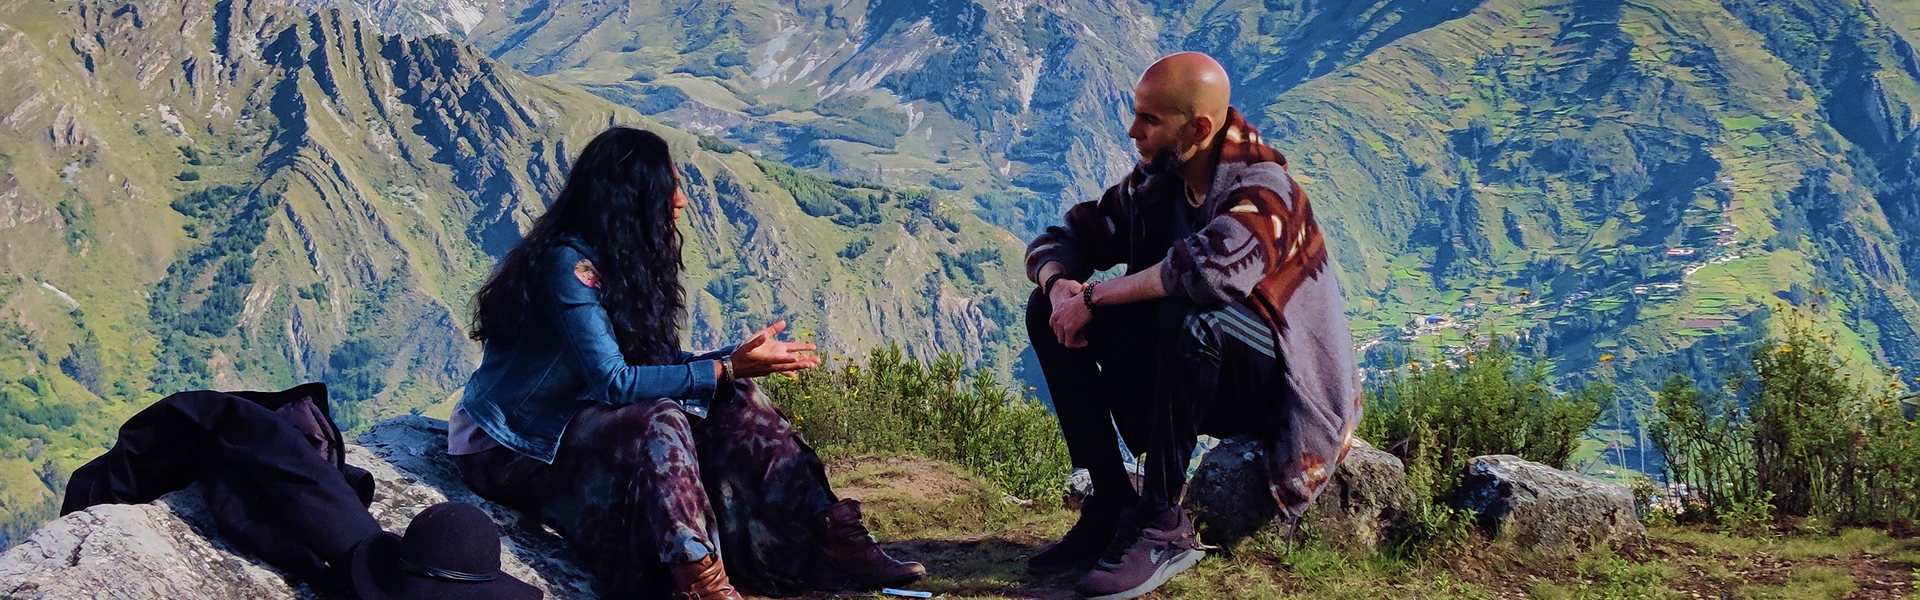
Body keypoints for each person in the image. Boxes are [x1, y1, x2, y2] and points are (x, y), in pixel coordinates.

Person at [448, 126, 925, 600]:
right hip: (513, 442)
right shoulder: (568, 268)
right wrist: (725, 367)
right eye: (668, 189)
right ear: (630, 198)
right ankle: (700, 580)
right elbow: (616, 383)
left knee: (735, 396)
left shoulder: (622, 257)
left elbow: (650, 362)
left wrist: (734, 365)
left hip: (577, 414)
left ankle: (831, 540)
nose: (680, 201)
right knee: (663, 417)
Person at [1022, 52, 1362, 600]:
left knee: (1191, 311)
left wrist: (1093, 294)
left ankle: (1163, 525)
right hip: (1198, 364)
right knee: (1047, 310)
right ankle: (1112, 502)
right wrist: (1060, 282)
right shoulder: (1160, 183)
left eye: (1150, 120)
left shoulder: (1266, 190)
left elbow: (1209, 273)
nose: (1134, 131)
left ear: (1199, 128)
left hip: (1278, 387)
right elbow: (1068, 234)